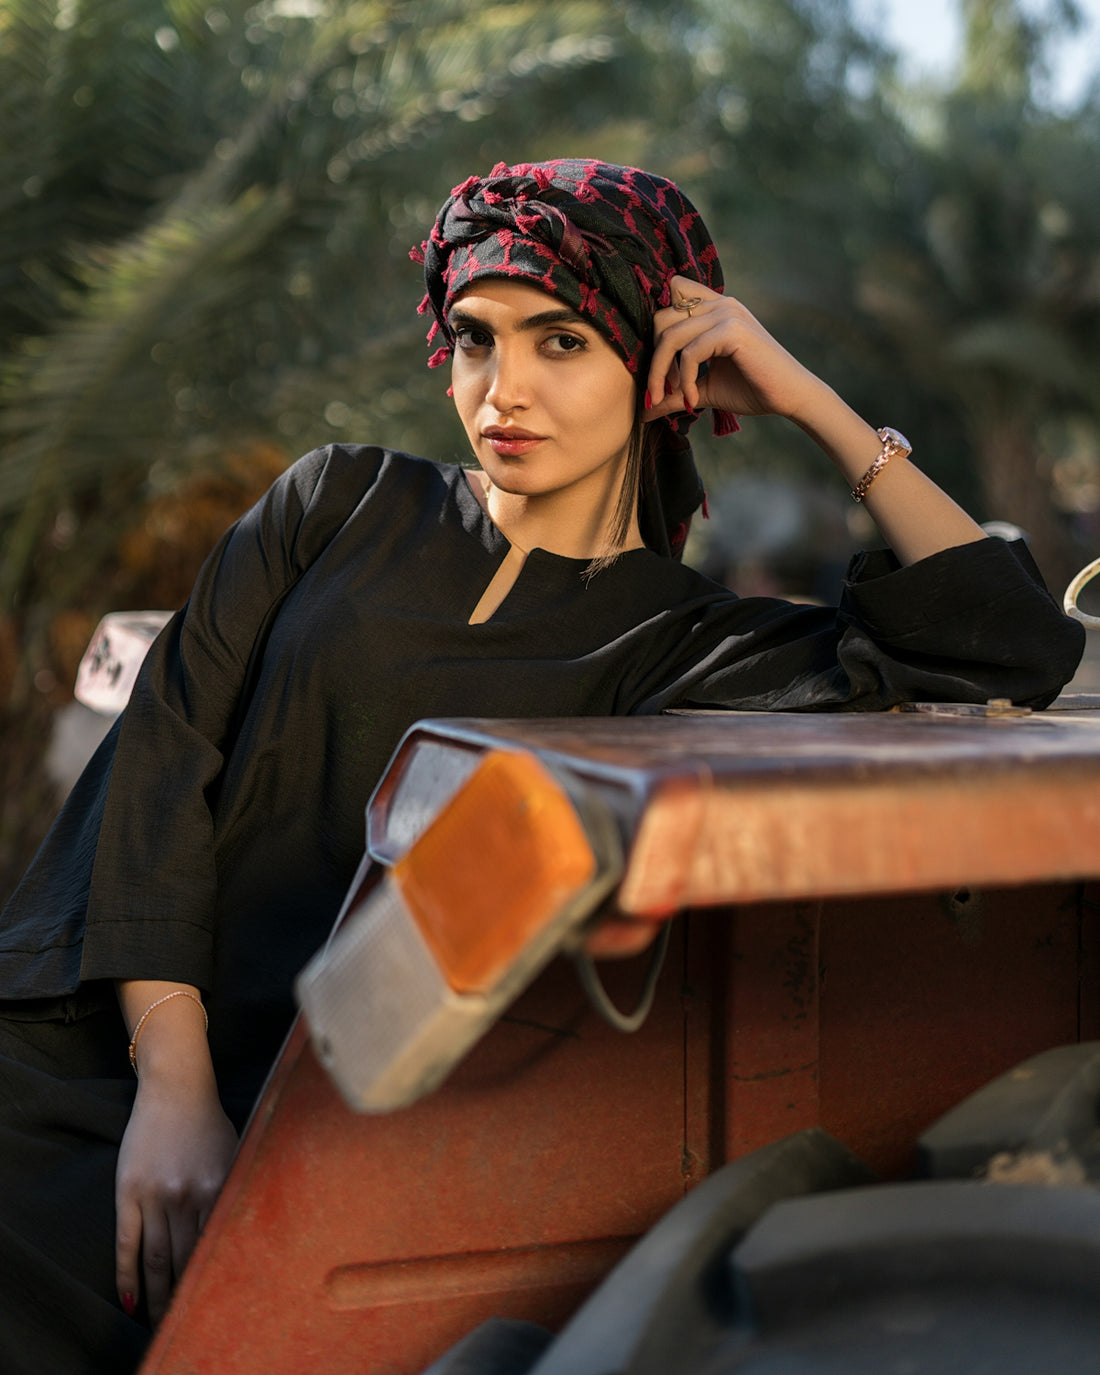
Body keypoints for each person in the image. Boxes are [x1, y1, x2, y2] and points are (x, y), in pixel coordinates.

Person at [0, 158, 1084, 1374]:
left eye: (560, 341)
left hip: (320, 1143)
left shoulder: (680, 638)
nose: (500, 392)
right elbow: (164, 759)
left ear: (659, 364)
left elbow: (1009, 646)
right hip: (120, 1054)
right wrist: (175, 1090)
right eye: (473, 340)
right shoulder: (338, 500)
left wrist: (808, 400)